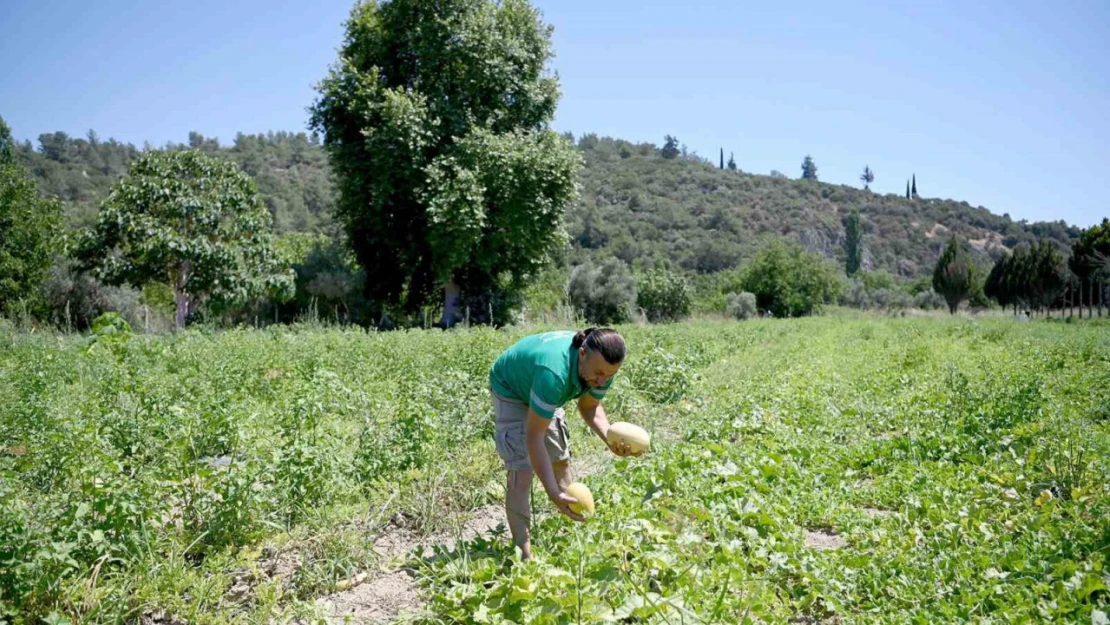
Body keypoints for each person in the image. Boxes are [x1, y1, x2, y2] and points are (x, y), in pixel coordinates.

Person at [487, 327, 640, 560]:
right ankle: (524, 555)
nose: (602, 381)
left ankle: (574, 533)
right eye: (599, 373)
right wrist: (552, 493)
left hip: (542, 385)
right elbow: (534, 437)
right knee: (522, 472)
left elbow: (589, 407)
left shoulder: (603, 368)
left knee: (560, 460)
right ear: (582, 354)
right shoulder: (554, 374)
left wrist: (611, 439)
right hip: (511, 388)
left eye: (609, 375)